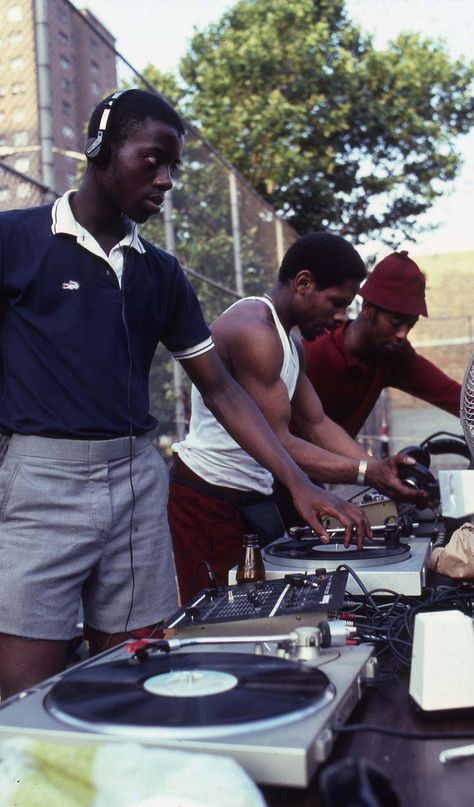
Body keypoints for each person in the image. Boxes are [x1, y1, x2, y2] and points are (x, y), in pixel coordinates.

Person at [0, 90, 367, 700]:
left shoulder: (160, 272)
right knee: (26, 692)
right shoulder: (15, 240)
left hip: (138, 481)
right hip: (40, 483)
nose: (166, 179)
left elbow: (220, 388)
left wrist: (299, 484)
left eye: (174, 166)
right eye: (153, 160)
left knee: (132, 676)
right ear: (101, 148)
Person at [169, 233, 422, 601]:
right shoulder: (254, 330)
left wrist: (377, 467)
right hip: (208, 494)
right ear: (303, 283)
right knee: (215, 623)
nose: (340, 318)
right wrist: (366, 473)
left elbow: (317, 424)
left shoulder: (291, 344)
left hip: (252, 495)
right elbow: (279, 439)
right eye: (336, 303)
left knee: (261, 613)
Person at [302, 250, 461, 439]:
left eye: (410, 325)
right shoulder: (314, 354)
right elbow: (288, 439)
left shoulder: (394, 355)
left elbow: (456, 398)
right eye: (395, 323)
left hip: (345, 461)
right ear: (368, 309)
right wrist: (366, 467)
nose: (403, 334)